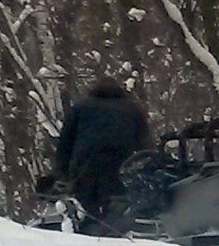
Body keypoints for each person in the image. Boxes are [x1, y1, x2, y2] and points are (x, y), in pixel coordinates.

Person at [53, 79, 150, 234]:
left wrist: (63, 175)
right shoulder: (133, 110)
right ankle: (114, 238)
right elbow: (145, 146)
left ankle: (88, 238)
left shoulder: (80, 109)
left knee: (87, 210)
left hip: (85, 167)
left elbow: (65, 144)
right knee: (116, 209)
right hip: (121, 167)